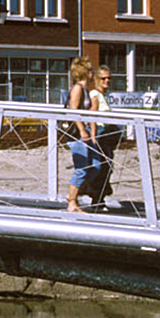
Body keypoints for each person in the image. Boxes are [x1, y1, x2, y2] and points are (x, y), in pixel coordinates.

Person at [87, 65, 122, 209]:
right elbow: (93, 115)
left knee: (106, 167)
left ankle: (99, 198)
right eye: (103, 78)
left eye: (109, 78)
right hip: (100, 134)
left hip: (107, 134)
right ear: (97, 79)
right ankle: (96, 199)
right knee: (101, 167)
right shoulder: (95, 94)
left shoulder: (104, 96)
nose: (107, 81)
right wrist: (93, 136)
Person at [64, 58, 96, 212]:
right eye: (91, 71)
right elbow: (73, 110)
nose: (93, 74)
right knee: (82, 168)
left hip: (85, 134)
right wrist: (82, 130)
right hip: (76, 135)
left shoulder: (86, 91)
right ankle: (72, 202)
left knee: (95, 165)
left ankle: (76, 191)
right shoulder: (77, 88)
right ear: (86, 73)